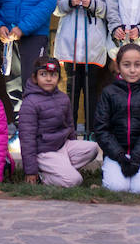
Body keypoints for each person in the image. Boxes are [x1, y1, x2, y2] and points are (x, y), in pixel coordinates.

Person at [53, 0, 110, 132]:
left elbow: (107, 9)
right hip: (70, 40)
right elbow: (55, 8)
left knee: (91, 88)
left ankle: (91, 131)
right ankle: (68, 131)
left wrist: (91, 3)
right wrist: (70, 2)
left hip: (93, 41)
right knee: (71, 88)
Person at [93, 43, 140, 194]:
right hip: (116, 154)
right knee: (117, 188)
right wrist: (119, 156)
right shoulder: (109, 92)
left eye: (137, 65)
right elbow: (101, 128)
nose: (132, 70)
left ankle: (139, 173)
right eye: (126, 65)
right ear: (118, 67)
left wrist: (137, 157)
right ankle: (112, 172)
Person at [18, 56, 100, 187]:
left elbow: (70, 126)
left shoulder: (63, 99)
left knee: (93, 148)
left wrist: (73, 143)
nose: (49, 79)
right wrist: (30, 170)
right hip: (45, 151)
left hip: (63, 146)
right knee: (75, 180)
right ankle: (42, 177)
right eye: (43, 74)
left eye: (53, 75)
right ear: (35, 77)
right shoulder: (30, 102)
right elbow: (27, 138)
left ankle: (61, 169)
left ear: (59, 78)